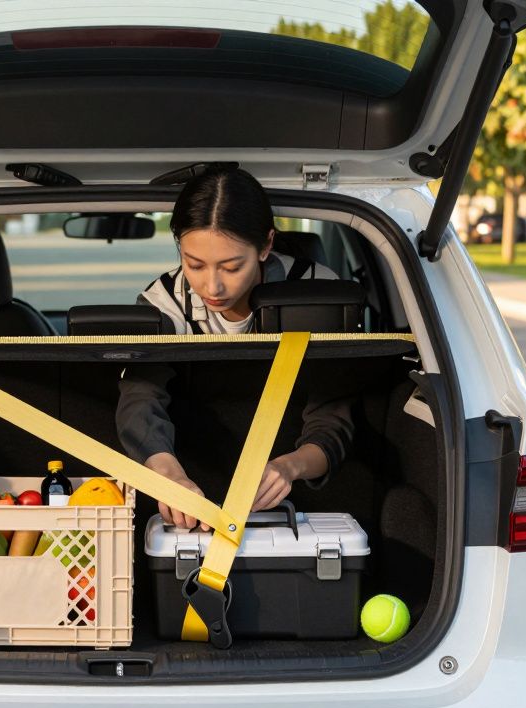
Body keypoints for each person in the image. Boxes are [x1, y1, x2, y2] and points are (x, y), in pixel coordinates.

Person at [116, 168, 354, 530]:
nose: (212, 286)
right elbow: (141, 399)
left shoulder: (318, 292)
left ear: (266, 245)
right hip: (195, 481)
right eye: (194, 264)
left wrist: (289, 467)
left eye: (231, 267)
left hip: (303, 492)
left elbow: (333, 416)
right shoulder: (163, 302)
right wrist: (169, 476)